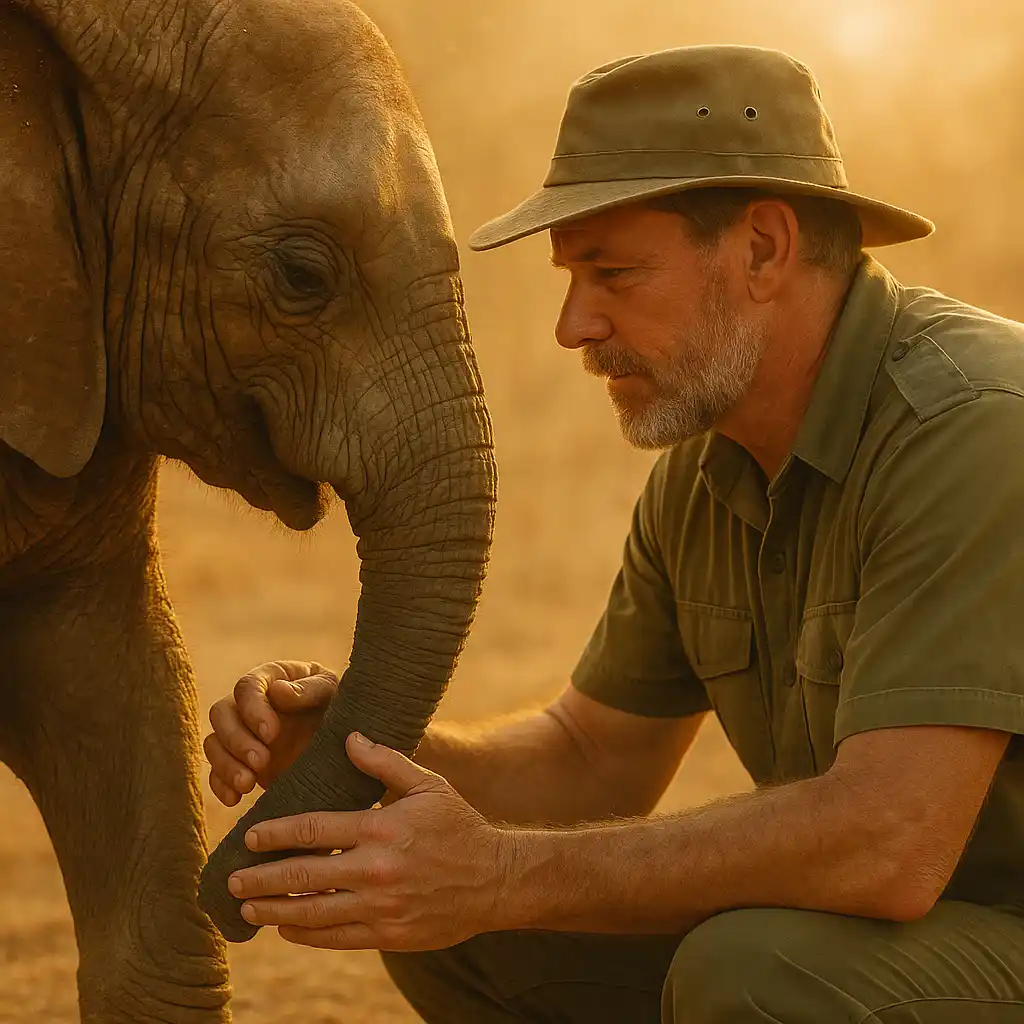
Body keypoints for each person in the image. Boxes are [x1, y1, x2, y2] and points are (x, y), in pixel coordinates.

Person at [203, 45, 1024, 1023]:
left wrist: (503, 871)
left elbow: (885, 843)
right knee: (468, 928)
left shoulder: (975, 424)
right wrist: (360, 742)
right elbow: (590, 760)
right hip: (927, 937)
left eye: (614, 273)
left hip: (968, 924)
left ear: (762, 248)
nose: (571, 324)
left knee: (753, 971)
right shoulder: (710, 466)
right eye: (569, 277)